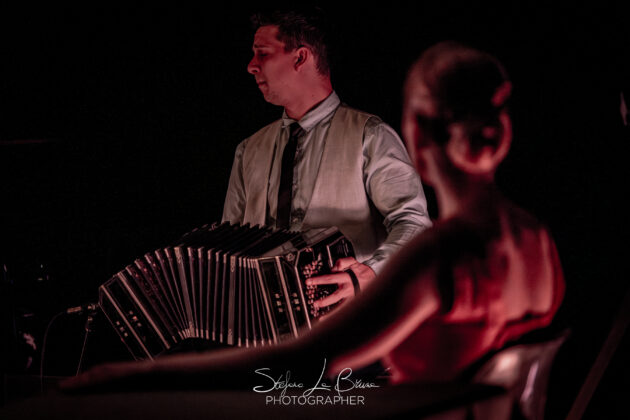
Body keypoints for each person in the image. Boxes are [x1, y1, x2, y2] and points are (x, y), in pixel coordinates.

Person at [62, 41, 564, 390]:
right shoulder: (534, 238)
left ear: (415, 134)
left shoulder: (436, 252)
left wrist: (135, 375)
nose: (251, 66)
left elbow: (309, 360)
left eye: (262, 53)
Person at [222, 9, 431, 308]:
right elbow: (227, 249)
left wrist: (371, 271)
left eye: (262, 53)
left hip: (350, 323)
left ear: (300, 57)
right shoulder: (248, 150)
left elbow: (415, 223)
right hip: (261, 325)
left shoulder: (370, 135)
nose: (251, 66)